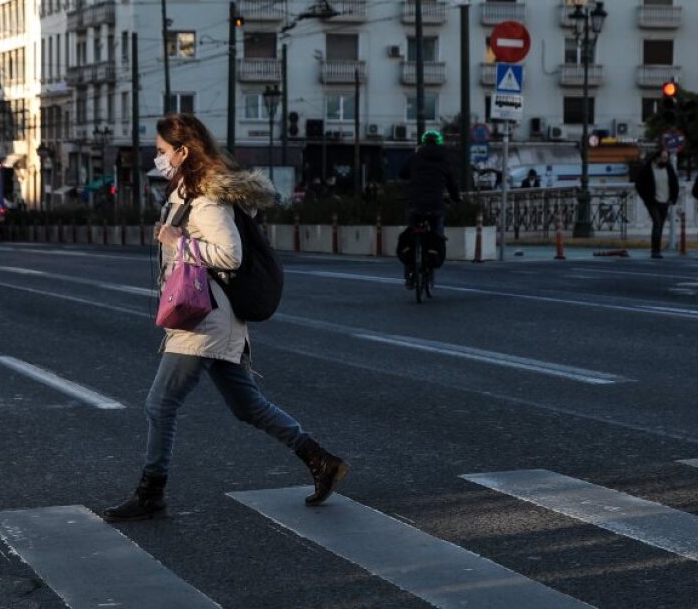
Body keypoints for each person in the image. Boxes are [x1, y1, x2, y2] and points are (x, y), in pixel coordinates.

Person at [102, 113, 347, 523]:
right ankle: (321, 460)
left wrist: (181, 243)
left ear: (182, 151)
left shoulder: (207, 200)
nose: (157, 158)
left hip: (204, 321)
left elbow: (229, 255)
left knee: (160, 404)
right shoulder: (185, 194)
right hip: (206, 317)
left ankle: (151, 493)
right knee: (246, 406)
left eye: (162, 151)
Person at [400, 130, 460, 289]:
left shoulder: (415, 157)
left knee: (411, 235)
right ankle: (433, 257)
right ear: (439, 143)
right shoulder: (444, 160)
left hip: (415, 203)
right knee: (437, 232)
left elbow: (402, 174)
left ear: (423, 142)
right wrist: (456, 198)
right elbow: (452, 184)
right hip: (436, 204)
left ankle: (409, 275)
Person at [634, 150, 679, 259]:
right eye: (663, 157)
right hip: (653, 202)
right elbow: (639, 184)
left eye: (666, 157)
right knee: (657, 223)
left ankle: (657, 248)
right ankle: (655, 250)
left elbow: (674, 183)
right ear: (657, 158)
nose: (665, 160)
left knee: (660, 226)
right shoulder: (648, 169)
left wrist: (673, 198)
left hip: (665, 201)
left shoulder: (669, 168)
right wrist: (646, 198)